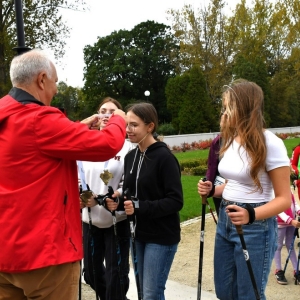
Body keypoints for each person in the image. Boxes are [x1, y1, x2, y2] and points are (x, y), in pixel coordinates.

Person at [0, 49, 127, 299]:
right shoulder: (39, 119)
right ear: (42, 79)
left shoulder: (6, 114)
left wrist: (76, 128)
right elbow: (107, 145)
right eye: (56, 82)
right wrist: (118, 120)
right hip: (44, 254)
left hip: (6, 251)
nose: (56, 89)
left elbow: (30, 145)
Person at [198, 79, 291, 300]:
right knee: (225, 291)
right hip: (226, 221)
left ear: (244, 107)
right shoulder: (229, 141)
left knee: (249, 295)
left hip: (255, 226)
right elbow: (234, 183)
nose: (224, 111)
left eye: (228, 105)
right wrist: (213, 191)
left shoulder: (271, 143)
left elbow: (284, 199)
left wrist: (251, 215)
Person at [108, 102, 183, 300]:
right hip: (137, 234)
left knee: (151, 293)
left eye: (134, 125)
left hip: (161, 236)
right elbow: (133, 191)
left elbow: (176, 201)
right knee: (142, 291)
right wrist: (120, 197)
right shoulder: (131, 156)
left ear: (150, 127)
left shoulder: (164, 157)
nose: (128, 130)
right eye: (126, 124)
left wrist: (140, 206)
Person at [80, 97, 134, 300]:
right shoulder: (86, 142)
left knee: (116, 274)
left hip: (116, 220)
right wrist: (84, 197)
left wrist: (113, 198)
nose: (106, 115)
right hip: (90, 219)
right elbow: (78, 176)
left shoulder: (127, 147)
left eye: (112, 111)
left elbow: (128, 182)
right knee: (91, 273)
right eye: (103, 111)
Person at [274, 192, 300, 285]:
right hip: (280, 224)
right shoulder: (275, 190)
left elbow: (294, 203)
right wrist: (289, 220)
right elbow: (276, 208)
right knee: (278, 246)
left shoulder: (289, 190)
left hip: (292, 222)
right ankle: (278, 270)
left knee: (291, 245)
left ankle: (297, 270)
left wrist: (298, 211)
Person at [205, 114, 226, 217]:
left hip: (237, 190)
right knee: (222, 216)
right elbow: (212, 165)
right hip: (219, 186)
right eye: (222, 121)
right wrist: (207, 183)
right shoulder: (217, 141)